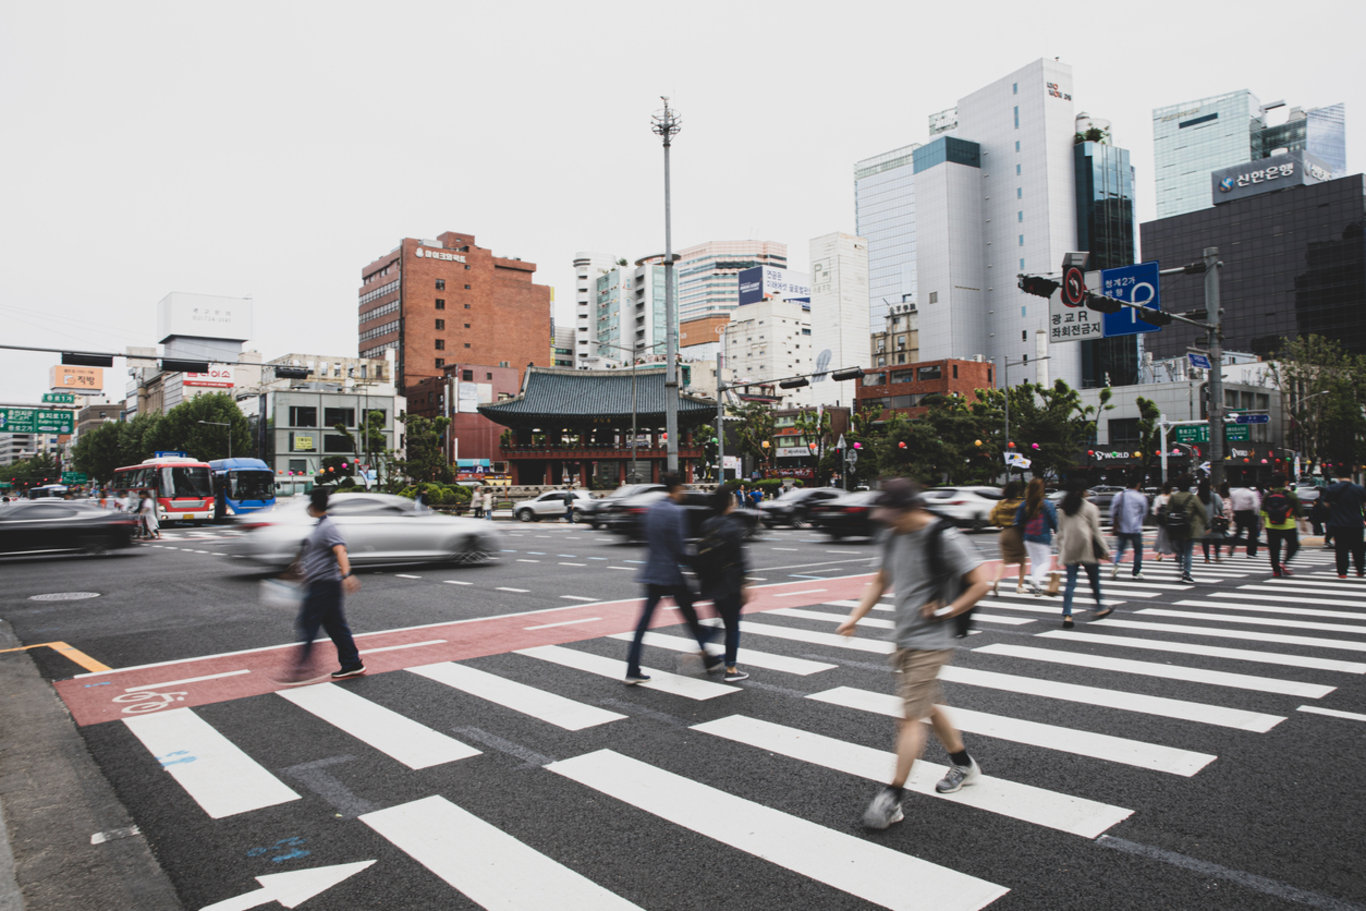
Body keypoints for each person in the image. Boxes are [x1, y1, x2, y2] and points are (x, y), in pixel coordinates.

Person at [837, 479, 992, 830]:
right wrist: (855, 617)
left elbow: (984, 580)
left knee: (910, 718)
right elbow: (881, 579)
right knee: (927, 703)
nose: (888, 522)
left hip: (932, 640)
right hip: (904, 636)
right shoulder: (894, 534)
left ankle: (893, 797)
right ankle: (964, 764)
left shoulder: (945, 538)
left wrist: (947, 611)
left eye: (893, 516)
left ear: (911, 509)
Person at [624, 473, 719, 683]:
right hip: (672, 576)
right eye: (683, 488)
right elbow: (679, 548)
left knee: (643, 624)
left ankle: (632, 669)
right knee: (691, 618)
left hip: (652, 573)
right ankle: (709, 654)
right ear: (677, 488)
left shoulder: (652, 510)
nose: (684, 492)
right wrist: (698, 568)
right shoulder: (676, 512)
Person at [285, 487, 364, 683]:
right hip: (324, 584)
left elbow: (340, 550)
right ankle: (352, 662)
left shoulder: (327, 527)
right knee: (336, 626)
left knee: (308, 624)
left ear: (313, 505)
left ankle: (302, 669)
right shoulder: (321, 525)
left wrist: (347, 574)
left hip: (324, 585)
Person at [697, 486, 751, 681]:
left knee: (718, 620)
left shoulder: (707, 524)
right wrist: (745, 583)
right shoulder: (733, 526)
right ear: (728, 503)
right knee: (733, 626)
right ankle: (731, 669)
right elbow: (739, 558)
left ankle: (702, 645)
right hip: (730, 583)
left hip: (712, 582)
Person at [1015, 478, 1058, 596]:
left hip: (1028, 537)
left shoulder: (1024, 504)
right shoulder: (1047, 504)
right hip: (1042, 536)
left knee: (1035, 562)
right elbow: (1054, 520)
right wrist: (1057, 530)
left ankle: (1037, 587)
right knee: (1045, 562)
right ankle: (1035, 580)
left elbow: (1017, 522)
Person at [1322, 468, 1365, 579]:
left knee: (1341, 549)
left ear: (1338, 476)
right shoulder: (1359, 489)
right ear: (1350, 475)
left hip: (1339, 523)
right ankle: (1360, 571)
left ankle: (1342, 572)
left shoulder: (1332, 489)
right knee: (1358, 549)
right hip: (1356, 523)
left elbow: (1326, 505)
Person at [1261, 472, 1302, 578]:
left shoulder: (1268, 495)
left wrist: (1263, 524)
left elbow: (1263, 511)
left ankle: (1276, 571)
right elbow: (1299, 511)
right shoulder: (1290, 494)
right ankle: (1284, 562)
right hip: (1288, 525)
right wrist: (1302, 523)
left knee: (1274, 549)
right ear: (1285, 482)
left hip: (1271, 525)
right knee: (1294, 545)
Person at [988, 481, 1026, 596]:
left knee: (1005, 560)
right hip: (1017, 533)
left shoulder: (1000, 504)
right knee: (1022, 561)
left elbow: (992, 518)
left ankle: (996, 580)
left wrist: (999, 524)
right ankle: (1020, 586)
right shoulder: (1020, 505)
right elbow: (1025, 519)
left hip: (1004, 533)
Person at [1164, 475, 1204, 584]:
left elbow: (1167, 511)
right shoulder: (1193, 497)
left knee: (1180, 551)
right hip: (1188, 527)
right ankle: (1186, 573)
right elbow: (1202, 511)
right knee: (1188, 552)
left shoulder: (1173, 497)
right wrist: (1206, 524)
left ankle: (1180, 568)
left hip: (1176, 527)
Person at [1108, 475, 1147, 580]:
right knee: (1138, 551)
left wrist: (1113, 524)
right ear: (1138, 484)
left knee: (1120, 549)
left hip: (1122, 528)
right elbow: (1144, 513)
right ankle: (1136, 571)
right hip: (1136, 528)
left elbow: (1113, 511)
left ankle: (1116, 564)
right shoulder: (1140, 497)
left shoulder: (1119, 495)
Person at [1225, 482, 1262, 558]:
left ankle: (1233, 545)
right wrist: (1256, 514)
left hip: (1238, 513)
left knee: (1238, 532)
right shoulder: (1251, 493)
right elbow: (1256, 505)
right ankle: (1251, 552)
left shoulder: (1234, 493)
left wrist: (1234, 512)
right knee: (1252, 533)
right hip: (1249, 513)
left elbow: (1233, 503)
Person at [1197, 479, 1226, 564]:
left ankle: (1207, 558)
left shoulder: (1198, 497)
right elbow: (1220, 506)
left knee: (1205, 540)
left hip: (1203, 521)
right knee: (1217, 538)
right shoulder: (1215, 496)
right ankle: (1217, 555)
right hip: (1214, 521)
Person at [1152, 482, 1176, 563]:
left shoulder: (1159, 498)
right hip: (1172, 519)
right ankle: (1177, 553)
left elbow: (1155, 509)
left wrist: (1157, 516)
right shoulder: (1173, 497)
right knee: (1173, 537)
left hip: (1162, 520)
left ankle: (1159, 553)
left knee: (1161, 537)